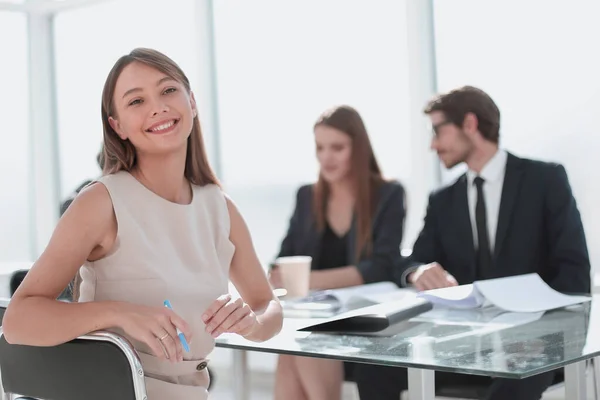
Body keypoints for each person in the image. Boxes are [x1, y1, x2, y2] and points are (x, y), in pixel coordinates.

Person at [3, 48, 283, 400]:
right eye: (136, 101)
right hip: (110, 391)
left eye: (168, 91)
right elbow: (17, 321)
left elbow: (268, 305)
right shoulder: (101, 202)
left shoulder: (220, 208)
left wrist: (252, 324)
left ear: (192, 102)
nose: (158, 107)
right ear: (116, 126)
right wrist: (120, 313)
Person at [353, 85, 591, 400]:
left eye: (438, 131)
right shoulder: (443, 199)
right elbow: (407, 260)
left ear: (469, 124)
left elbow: (574, 272)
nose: (433, 145)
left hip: (533, 344)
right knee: (372, 367)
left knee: (514, 378)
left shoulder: (545, 180)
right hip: (466, 345)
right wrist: (417, 271)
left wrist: (540, 329)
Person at [270, 105, 406, 400]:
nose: (326, 157)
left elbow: (381, 267)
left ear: (358, 149)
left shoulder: (388, 194)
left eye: (337, 148)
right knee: (298, 342)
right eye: (320, 148)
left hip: (366, 323)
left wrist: (307, 281)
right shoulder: (307, 196)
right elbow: (281, 263)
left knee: (299, 343)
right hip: (316, 321)